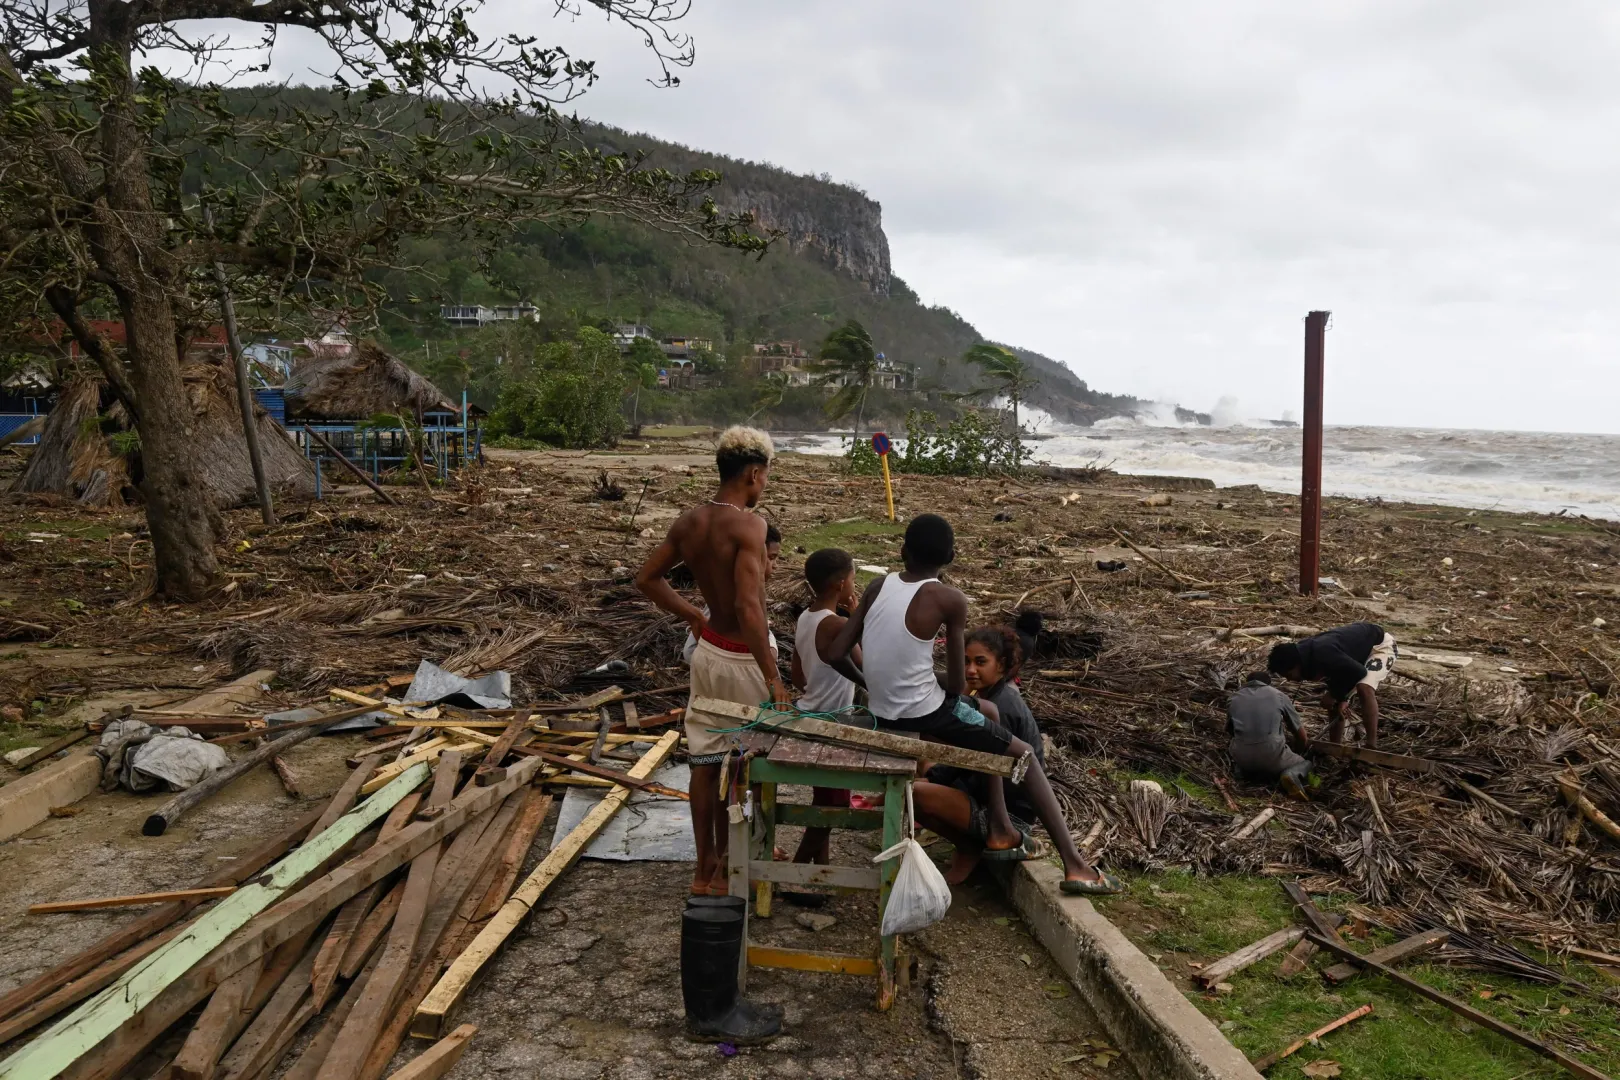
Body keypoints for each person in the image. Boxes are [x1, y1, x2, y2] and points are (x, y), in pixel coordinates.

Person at [828, 514, 1124, 895]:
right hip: (926, 712)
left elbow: (836, 652)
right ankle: (1076, 866)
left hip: (884, 709)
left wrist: (875, 681)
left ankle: (1000, 827)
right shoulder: (949, 599)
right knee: (1023, 754)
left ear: (903, 552)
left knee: (989, 715)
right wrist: (918, 679)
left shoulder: (876, 586)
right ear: (951, 558)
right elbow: (955, 685)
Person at [636, 427, 791, 899]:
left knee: (704, 762)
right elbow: (749, 608)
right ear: (754, 473)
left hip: (708, 654)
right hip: (743, 659)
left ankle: (703, 870)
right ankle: (728, 866)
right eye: (765, 477)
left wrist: (694, 616)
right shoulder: (749, 526)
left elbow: (647, 578)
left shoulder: (690, 521)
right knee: (742, 762)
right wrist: (773, 676)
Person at [913, 614, 1050, 884]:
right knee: (922, 770)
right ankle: (966, 845)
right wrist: (935, 777)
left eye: (980, 662)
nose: (971, 670)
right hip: (980, 791)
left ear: (1002, 665)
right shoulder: (984, 694)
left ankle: (969, 847)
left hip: (1007, 814)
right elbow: (968, 756)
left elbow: (984, 773)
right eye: (966, 662)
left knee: (914, 792)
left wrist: (935, 782)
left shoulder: (1002, 706)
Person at [783, 548, 865, 890]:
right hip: (832, 723)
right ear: (841, 584)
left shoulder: (807, 617)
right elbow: (866, 666)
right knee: (836, 802)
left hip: (807, 713)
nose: (855, 586)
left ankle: (820, 872)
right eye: (854, 580)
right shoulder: (838, 625)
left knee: (825, 798)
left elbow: (797, 676)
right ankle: (796, 873)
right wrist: (858, 617)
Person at [1268, 621, 1396, 750]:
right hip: (1353, 660)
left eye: (1289, 675)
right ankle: (1335, 747)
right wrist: (1340, 698)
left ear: (1296, 665)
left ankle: (1371, 745)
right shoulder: (1307, 656)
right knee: (1333, 702)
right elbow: (1338, 676)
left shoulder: (1323, 653)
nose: (1289, 679)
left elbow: (1359, 672)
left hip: (1379, 647)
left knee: (1364, 688)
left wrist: (1334, 694)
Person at [681, 524, 781, 666]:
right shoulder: (735, 594)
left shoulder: (746, 588)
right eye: (771, 557)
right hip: (709, 659)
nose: (775, 565)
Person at [1227, 671, 1311, 800]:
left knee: (1241, 751)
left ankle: (1242, 773)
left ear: (1247, 683)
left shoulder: (1233, 698)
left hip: (1242, 758)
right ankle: (1291, 774)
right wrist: (1298, 753)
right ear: (1268, 683)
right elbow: (1301, 737)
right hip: (1272, 755)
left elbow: (1230, 731)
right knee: (1306, 763)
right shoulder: (1279, 696)